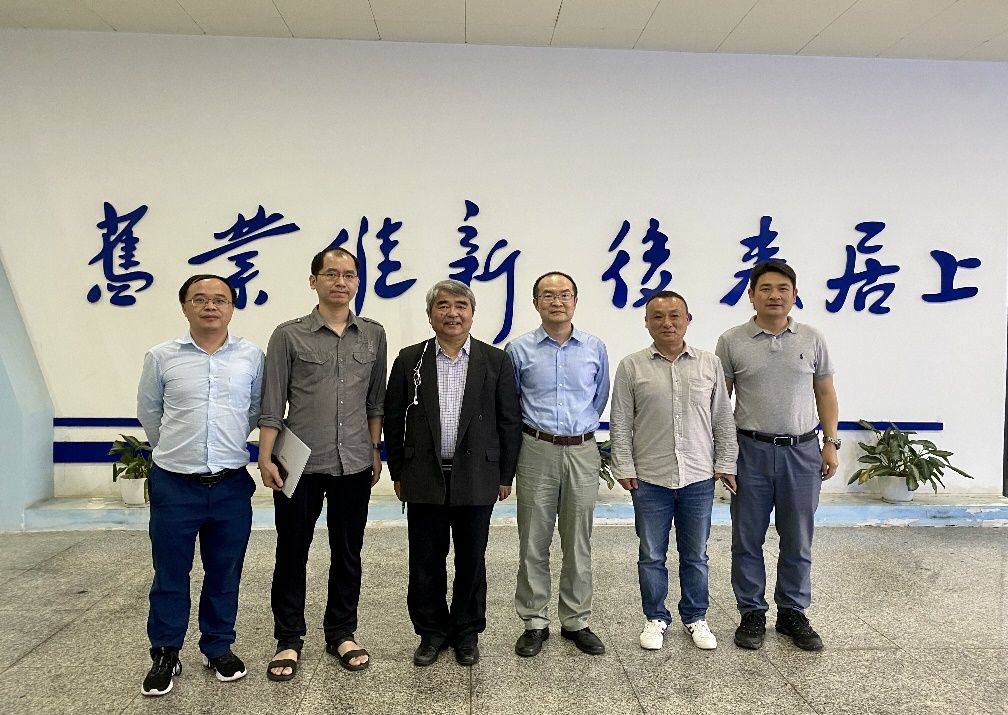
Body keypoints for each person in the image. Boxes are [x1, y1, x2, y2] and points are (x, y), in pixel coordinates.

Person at [257, 247, 387, 679]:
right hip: (298, 462)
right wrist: (265, 456)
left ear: (357, 282)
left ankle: (341, 633)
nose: (340, 282)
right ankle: (288, 638)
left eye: (349, 274)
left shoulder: (373, 335)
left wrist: (374, 450)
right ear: (313, 281)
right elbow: (273, 403)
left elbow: (375, 402)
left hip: (354, 460)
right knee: (292, 552)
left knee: (348, 552)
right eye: (331, 274)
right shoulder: (288, 335)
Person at [136, 274, 264, 696]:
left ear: (232, 307)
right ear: (185, 306)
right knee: (170, 573)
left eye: (220, 300)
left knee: (225, 571)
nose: (211, 306)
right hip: (175, 484)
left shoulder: (251, 356)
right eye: (200, 299)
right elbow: (150, 413)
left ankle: (217, 646)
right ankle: (165, 652)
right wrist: (179, 452)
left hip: (230, 485)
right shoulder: (161, 357)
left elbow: (255, 411)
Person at [384, 279, 522, 667]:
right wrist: (398, 470)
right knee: (425, 560)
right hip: (423, 474)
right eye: (443, 305)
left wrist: (505, 475)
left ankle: (466, 632)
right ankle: (431, 632)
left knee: (471, 560)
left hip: (477, 475)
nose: (452, 313)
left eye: (461, 305)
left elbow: (509, 421)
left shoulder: (494, 360)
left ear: (472, 314)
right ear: (430, 315)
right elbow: (393, 419)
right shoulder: (409, 359)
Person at [715, 261, 839, 652]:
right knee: (746, 539)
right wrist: (723, 456)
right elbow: (720, 403)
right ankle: (751, 611)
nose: (774, 295)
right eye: (765, 289)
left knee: (798, 539)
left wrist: (831, 442)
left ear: (795, 295)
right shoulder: (731, 341)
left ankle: (792, 613)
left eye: (783, 288)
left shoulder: (812, 338)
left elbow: (825, 393)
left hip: (801, 452)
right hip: (749, 451)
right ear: (751, 295)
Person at [609, 291, 737, 651]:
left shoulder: (709, 363)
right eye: (658, 317)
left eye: (675, 316)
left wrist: (726, 462)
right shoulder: (631, 366)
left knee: (696, 554)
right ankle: (655, 618)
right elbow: (621, 421)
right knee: (651, 554)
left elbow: (722, 417)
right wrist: (624, 465)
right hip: (649, 478)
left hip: (698, 476)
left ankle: (696, 617)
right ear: (647, 323)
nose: (667, 323)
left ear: (687, 320)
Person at [505, 272, 610, 657]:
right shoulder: (518, 350)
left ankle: (576, 620)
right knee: (533, 538)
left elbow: (599, 398)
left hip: (582, 450)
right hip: (536, 449)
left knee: (578, 539)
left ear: (575, 301)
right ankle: (534, 621)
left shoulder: (595, 347)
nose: (557, 302)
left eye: (565, 294)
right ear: (536, 303)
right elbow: (512, 402)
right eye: (548, 295)